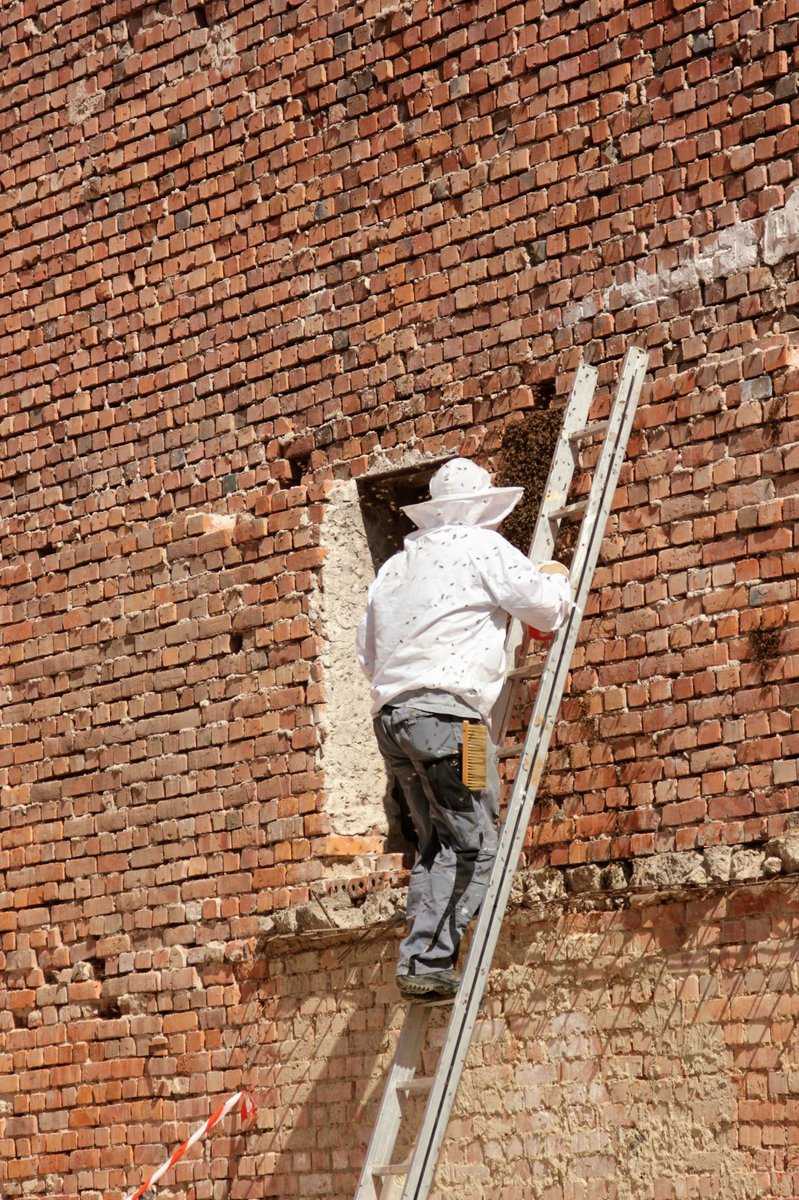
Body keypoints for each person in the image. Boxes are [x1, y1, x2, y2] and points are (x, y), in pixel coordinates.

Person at [356, 457, 572, 999]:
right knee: (476, 844)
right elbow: (545, 612)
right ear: (481, 508)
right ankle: (429, 962)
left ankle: (420, 959)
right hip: (456, 727)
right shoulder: (482, 547)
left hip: (395, 722)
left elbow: (366, 653)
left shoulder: (395, 569)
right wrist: (557, 579)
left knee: (438, 842)